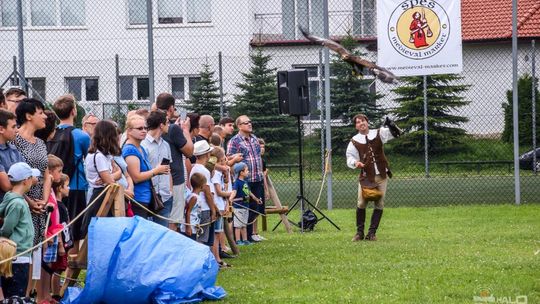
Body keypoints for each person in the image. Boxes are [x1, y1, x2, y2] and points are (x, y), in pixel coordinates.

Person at [13, 98, 51, 300]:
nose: (45, 116)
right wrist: (29, 201)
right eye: (40, 112)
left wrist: (44, 201)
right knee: (21, 253)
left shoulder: (41, 143)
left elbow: (46, 176)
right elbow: (14, 177)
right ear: (28, 116)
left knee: (36, 251)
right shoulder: (15, 140)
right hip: (22, 204)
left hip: (40, 206)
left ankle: (30, 295)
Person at [346, 114, 398, 241]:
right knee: (361, 203)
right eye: (358, 122)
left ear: (367, 122)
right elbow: (350, 157)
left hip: (381, 174)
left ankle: (372, 233)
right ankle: (359, 233)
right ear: (356, 126)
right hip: (366, 176)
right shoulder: (354, 140)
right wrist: (355, 163)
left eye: (363, 120)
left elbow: (396, 133)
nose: (361, 123)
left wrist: (391, 125)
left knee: (379, 203)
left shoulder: (379, 133)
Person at [52, 94, 90, 257]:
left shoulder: (52, 133)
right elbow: (88, 156)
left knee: (58, 223)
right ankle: (70, 264)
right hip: (75, 185)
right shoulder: (81, 136)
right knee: (74, 228)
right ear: (74, 111)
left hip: (55, 186)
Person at [0, 162, 40, 298]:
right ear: (25, 181)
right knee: (16, 294)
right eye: (31, 177)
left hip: (21, 254)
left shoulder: (16, 200)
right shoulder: (17, 203)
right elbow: (7, 228)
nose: (33, 181)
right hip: (17, 254)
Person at [155, 93, 193, 230]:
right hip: (175, 179)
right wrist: (186, 130)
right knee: (173, 219)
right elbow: (189, 152)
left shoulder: (152, 124)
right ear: (171, 108)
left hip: (157, 179)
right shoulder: (172, 128)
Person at [82, 120, 123, 239]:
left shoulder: (105, 155)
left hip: (105, 192)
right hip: (100, 195)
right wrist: (112, 175)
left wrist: (113, 175)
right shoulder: (98, 156)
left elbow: (118, 173)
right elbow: (110, 180)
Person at [227, 115, 265, 242]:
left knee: (255, 208)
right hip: (244, 181)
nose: (249, 124)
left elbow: (258, 156)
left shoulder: (254, 139)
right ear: (239, 126)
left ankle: (249, 235)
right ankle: (239, 237)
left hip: (257, 178)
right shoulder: (234, 141)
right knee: (242, 208)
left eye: (250, 121)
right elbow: (229, 160)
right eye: (246, 122)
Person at [123, 115, 169, 217]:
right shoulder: (130, 150)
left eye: (145, 128)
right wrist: (156, 171)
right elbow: (136, 177)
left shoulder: (140, 148)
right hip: (137, 199)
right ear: (129, 131)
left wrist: (156, 169)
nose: (144, 131)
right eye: (139, 128)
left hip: (145, 198)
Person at [141, 111, 173, 227]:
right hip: (148, 196)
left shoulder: (166, 145)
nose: (169, 125)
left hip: (165, 197)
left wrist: (170, 191)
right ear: (161, 124)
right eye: (167, 122)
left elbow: (168, 170)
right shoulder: (142, 145)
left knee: (163, 234)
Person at [189, 141, 218, 247]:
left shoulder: (194, 168)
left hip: (198, 207)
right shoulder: (204, 171)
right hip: (205, 208)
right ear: (207, 154)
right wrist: (213, 210)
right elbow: (207, 193)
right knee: (203, 238)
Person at [49, 174, 70, 301]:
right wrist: (61, 244)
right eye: (67, 186)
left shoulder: (62, 205)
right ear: (59, 188)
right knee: (57, 269)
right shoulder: (58, 206)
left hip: (65, 243)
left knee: (60, 269)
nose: (69, 189)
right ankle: (55, 294)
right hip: (60, 244)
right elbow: (58, 227)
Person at [230, 162, 261, 245]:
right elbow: (234, 193)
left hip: (245, 207)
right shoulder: (237, 183)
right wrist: (231, 199)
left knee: (244, 225)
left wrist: (256, 199)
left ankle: (245, 240)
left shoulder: (245, 182)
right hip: (238, 208)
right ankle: (238, 240)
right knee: (238, 226)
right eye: (247, 170)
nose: (248, 172)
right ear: (241, 172)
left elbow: (249, 192)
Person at [0, 110, 24, 203]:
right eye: (13, 127)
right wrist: (24, 180)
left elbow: (32, 177)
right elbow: (6, 185)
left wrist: (30, 203)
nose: (17, 130)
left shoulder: (13, 149)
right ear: (1, 129)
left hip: (15, 204)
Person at [181, 173, 204, 241]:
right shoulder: (194, 198)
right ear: (201, 186)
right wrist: (188, 227)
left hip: (194, 226)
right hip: (190, 227)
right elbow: (187, 212)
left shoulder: (195, 196)